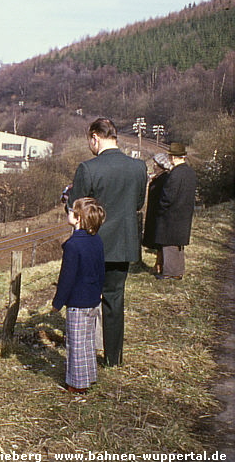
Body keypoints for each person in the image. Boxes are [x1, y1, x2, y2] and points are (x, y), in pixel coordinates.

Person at [67, 118, 147, 367]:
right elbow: (137, 204)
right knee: (114, 299)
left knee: (84, 301)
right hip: (123, 244)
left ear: (95, 137)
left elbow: (75, 212)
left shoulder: (87, 169)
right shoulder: (138, 167)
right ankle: (114, 358)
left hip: (92, 244)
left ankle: (85, 354)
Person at [52, 197, 106, 394]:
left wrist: (57, 303)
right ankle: (89, 376)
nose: (68, 213)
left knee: (75, 344)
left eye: (71, 211)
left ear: (78, 219)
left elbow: (67, 278)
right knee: (88, 341)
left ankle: (77, 384)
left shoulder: (72, 245)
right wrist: (100, 290)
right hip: (93, 298)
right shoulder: (97, 240)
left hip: (77, 301)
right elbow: (101, 269)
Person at [154, 142, 197, 280]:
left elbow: (167, 197)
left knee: (169, 245)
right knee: (178, 246)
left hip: (171, 216)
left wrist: (160, 208)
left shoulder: (175, 174)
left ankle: (169, 273)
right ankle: (178, 271)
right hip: (184, 214)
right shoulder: (190, 172)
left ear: (172, 157)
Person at [142, 153, 173, 275]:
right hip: (153, 212)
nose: (154, 166)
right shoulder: (159, 177)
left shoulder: (165, 178)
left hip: (158, 213)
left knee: (159, 240)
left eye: (156, 164)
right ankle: (158, 264)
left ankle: (159, 265)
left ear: (161, 165)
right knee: (156, 239)